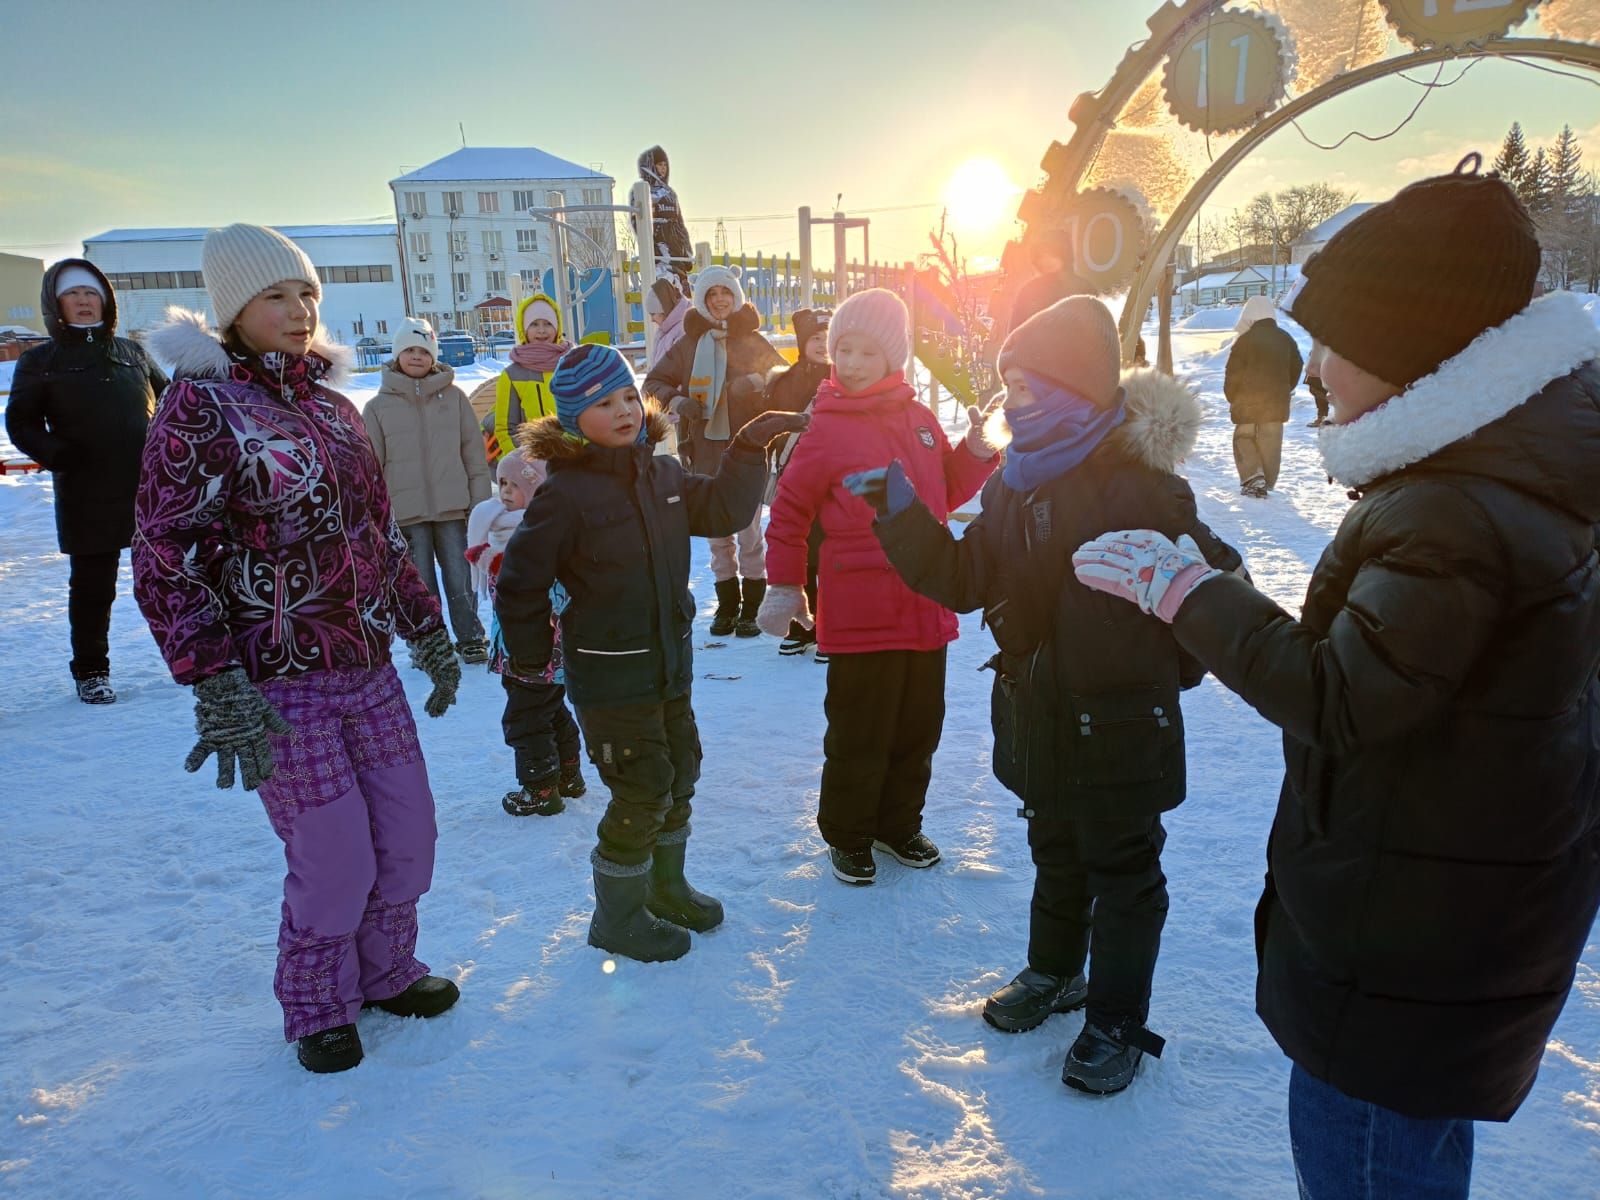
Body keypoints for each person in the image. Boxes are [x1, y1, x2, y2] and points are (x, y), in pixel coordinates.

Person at [1072, 157, 1600, 1196]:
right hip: (1462, 913)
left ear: (1409, 354)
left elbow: (1342, 694)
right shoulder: (1513, 470)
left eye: (1337, 348)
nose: (1314, 372)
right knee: (1413, 1144)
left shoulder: (1453, 507)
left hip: (1408, 936)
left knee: (1366, 1156)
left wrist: (1187, 596)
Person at [855, 296, 1241, 1093]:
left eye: (1024, 387)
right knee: (1056, 851)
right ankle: (1056, 971)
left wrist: (1166, 677)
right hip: (1042, 714)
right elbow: (964, 580)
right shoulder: (1011, 483)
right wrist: (900, 512)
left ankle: (1116, 1019)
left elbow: (1214, 586)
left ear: (1072, 387)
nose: (1009, 403)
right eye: (1007, 387)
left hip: (1123, 721)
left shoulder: (1140, 488)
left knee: (1124, 871)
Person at [133, 224, 464, 1075]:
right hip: (277, 678)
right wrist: (212, 679)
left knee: (409, 835)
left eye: (306, 294)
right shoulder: (201, 405)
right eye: (276, 296)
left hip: (365, 663)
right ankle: (318, 1003)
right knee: (335, 858)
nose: (298, 310)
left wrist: (424, 625)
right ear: (232, 310)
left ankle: (388, 970)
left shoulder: (333, 405)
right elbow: (166, 549)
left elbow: (378, 535)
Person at [494, 343, 806, 961]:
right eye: (603, 403)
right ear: (572, 417)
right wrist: (530, 663)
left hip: (669, 664)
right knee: (642, 787)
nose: (623, 411)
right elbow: (519, 582)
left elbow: (722, 508)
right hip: (610, 678)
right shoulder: (565, 494)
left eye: (628, 397)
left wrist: (746, 448)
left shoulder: (661, 476)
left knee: (680, 770)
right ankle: (618, 916)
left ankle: (665, 887)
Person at [757, 288, 999, 885]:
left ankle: (898, 825)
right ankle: (849, 833)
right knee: (860, 731)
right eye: (844, 349)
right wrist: (785, 585)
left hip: (925, 600)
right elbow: (787, 513)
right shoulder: (825, 431)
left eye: (868, 350)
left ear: (895, 356)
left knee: (918, 730)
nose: (855, 362)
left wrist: (975, 450)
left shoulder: (918, 420)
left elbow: (944, 489)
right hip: (861, 611)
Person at [5, 259, 166, 703]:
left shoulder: (132, 353)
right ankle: (91, 671)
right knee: (94, 588)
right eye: (72, 294)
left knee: (173, 577)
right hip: (86, 491)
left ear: (105, 301)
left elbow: (170, 400)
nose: (82, 301)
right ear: (55, 304)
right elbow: (20, 421)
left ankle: (196, 657)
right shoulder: (41, 361)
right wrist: (60, 456)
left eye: (90, 293)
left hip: (149, 488)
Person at [643, 264, 785, 637]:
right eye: (712, 295)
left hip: (748, 452)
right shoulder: (689, 344)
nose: (720, 301)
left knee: (750, 534)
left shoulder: (752, 340)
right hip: (703, 450)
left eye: (725, 294)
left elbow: (782, 380)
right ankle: (727, 604)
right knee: (718, 538)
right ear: (703, 302)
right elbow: (653, 382)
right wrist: (678, 400)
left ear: (735, 297)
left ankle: (752, 605)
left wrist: (755, 383)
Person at [363, 317, 492, 662]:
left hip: (453, 508)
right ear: (397, 354)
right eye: (409, 350)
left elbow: (474, 456)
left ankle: (470, 637)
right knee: (418, 584)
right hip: (406, 512)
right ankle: (429, 644)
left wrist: (479, 504)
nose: (417, 356)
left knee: (460, 578)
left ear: (433, 355)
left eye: (424, 350)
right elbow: (370, 467)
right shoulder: (377, 408)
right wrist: (378, 514)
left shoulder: (455, 399)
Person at [466, 448, 586, 816]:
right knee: (550, 708)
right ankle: (568, 775)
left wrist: (527, 647)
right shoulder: (507, 529)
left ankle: (540, 788)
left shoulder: (535, 537)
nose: (504, 491)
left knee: (526, 717)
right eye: (501, 482)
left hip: (533, 645)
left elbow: (542, 595)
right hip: (537, 646)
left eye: (515, 484)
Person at [762, 307, 831, 658]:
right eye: (815, 338)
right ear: (802, 343)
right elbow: (771, 423)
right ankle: (801, 625)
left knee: (829, 552)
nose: (822, 344)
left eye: (827, 337)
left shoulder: (845, 378)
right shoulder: (785, 380)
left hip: (832, 481)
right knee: (798, 550)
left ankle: (828, 625)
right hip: (794, 478)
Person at [1224, 294, 1303, 498]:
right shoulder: (1286, 338)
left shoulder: (1245, 340)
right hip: (1276, 402)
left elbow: (1233, 372)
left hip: (1246, 401)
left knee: (1244, 436)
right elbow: (1297, 365)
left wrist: (1232, 395)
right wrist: (1286, 388)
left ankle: (1253, 477)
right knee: (1271, 439)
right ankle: (1267, 481)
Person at [488, 293, 572, 465]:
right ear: (524, 328)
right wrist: (526, 463)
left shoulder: (573, 364)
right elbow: (506, 429)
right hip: (533, 464)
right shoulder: (512, 375)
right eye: (534, 324)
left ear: (557, 327)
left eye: (548, 324)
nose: (541, 330)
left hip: (575, 458)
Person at [1006, 227, 1091, 333]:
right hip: (1035, 349)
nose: (1046, 261)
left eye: (1051, 255)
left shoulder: (1084, 289)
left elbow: (1098, 331)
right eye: (1041, 257)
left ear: (1064, 253)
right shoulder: (1029, 291)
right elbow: (1014, 334)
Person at [638, 146, 693, 288]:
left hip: (675, 247)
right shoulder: (643, 192)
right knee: (663, 289)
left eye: (665, 165)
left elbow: (680, 223)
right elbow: (637, 222)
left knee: (682, 289)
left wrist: (687, 250)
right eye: (659, 164)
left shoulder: (670, 194)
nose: (663, 168)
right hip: (657, 248)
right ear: (650, 165)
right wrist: (651, 246)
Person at [644, 276, 692, 366]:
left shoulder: (684, 330)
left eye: (653, 314)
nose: (652, 319)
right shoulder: (665, 331)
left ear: (663, 310)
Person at [1304, 340, 1330, 427]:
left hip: (1320, 370)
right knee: (1317, 391)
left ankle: (1322, 417)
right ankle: (1323, 417)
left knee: (1318, 391)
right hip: (1319, 370)